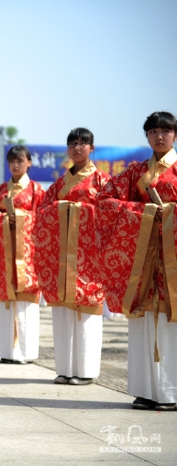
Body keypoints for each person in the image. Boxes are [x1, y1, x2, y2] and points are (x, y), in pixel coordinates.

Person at [97, 111, 177, 410]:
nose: (159, 136)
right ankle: (145, 389)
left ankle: (170, 392)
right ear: (146, 136)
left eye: (165, 131)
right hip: (141, 259)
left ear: (175, 135)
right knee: (142, 321)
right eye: (153, 131)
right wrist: (143, 213)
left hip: (172, 259)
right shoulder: (134, 172)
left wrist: (168, 213)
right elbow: (105, 201)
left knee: (172, 323)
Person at [34, 128, 109, 384]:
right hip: (62, 257)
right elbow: (42, 213)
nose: (77, 148)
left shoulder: (102, 181)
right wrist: (62, 209)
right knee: (63, 313)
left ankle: (86, 371)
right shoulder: (58, 184)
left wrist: (74, 210)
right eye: (73, 144)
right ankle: (64, 369)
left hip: (89, 257)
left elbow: (109, 213)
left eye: (83, 143)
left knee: (86, 312)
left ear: (92, 148)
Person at [0, 146, 45, 363]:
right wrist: (5, 220)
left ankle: (26, 352)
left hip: (28, 256)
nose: (16, 165)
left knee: (26, 305)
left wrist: (22, 218)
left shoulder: (37, 191)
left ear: (29, 163)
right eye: (12, 161)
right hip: (3, 256)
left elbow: (46, 219)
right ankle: (6, 351)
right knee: (4, 304)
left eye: (20, 160)